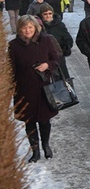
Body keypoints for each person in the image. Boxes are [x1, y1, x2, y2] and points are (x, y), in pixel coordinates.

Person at [8, 15, 62, 162]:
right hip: (24, 89)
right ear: (19, 29)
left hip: (43, 88)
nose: (27, 30)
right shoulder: (13, 45)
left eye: (30, 27)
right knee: (29, 121)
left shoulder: (45, 40)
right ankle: (35, 151)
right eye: (24, 28)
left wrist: (47, 65)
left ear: (35, 28)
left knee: (45, 120)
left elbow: (56, 59)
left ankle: (46, 145)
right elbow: (10, 68)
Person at [39, 3, 74, 81]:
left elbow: (68, 38)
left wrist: (65, 48)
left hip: (58, 56)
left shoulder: (59, 25)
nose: (48, 16)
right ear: (41, 15)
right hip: (44, 57)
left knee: (63, 79)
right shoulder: (38, 26)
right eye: (45, 14)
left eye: (50, 13)